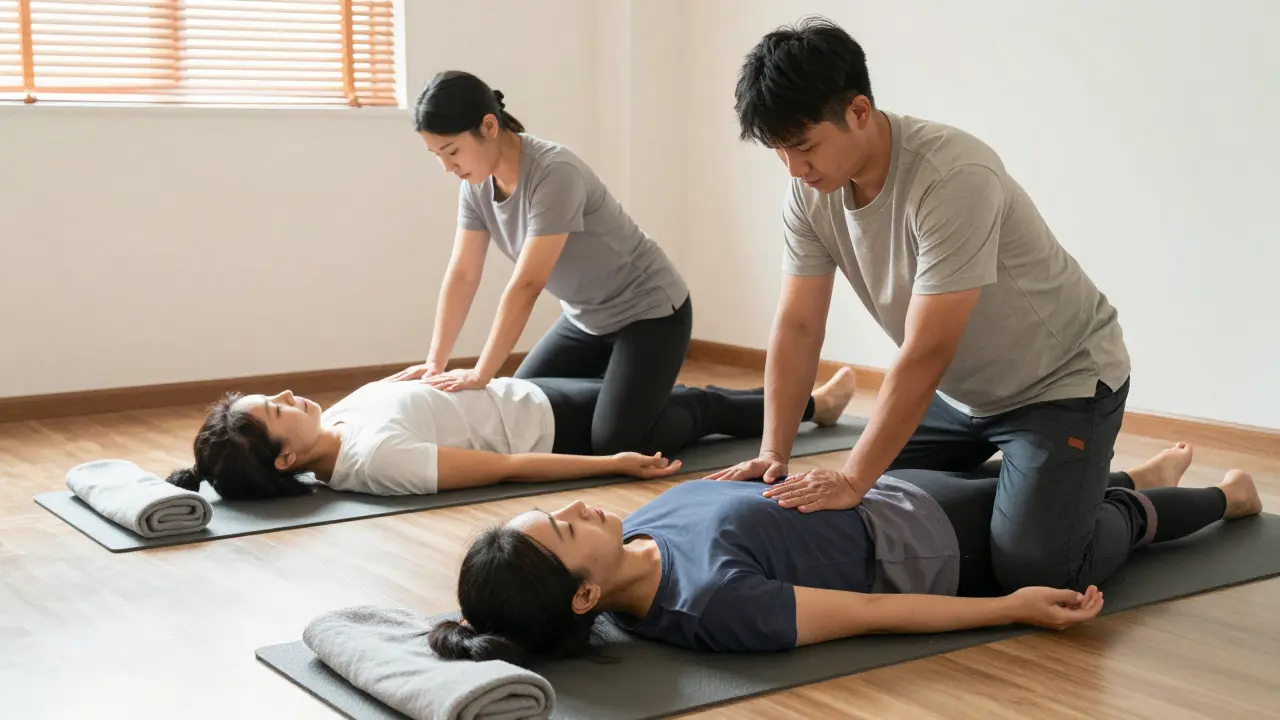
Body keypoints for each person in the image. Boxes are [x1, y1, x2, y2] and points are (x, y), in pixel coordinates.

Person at [715, 16, 1141, 591]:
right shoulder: (810, 193)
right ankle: (1057, 488)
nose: (794, 168)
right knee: (884, 510)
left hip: (1059, 384)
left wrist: (852, 479)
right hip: (961, 396)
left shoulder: (953, 176)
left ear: (859, 111)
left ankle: (1151, 497)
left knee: (1038, 569)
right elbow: (797, 326)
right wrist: (774, 451)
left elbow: (927, 349)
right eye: (779, 151)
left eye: (804, 146)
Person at [427, 448, 1262, 663]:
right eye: (565, 528)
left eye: (556, 510)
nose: (577, 508)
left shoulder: (637, 527)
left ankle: (1133, 477)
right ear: (583, 597)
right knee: (1098, 525)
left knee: (1043, 481)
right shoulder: (710, 605)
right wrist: (1008, 608)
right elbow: (869, 612)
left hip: (888, 491)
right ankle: (1227, 499)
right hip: (936, 547)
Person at [385, 70, 693, 458]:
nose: (448, 167)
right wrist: (435, 362)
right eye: (437, 156)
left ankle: (703, 404)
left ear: (489, 126)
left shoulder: (554, 172)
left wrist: (482, 372)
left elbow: (527, 284)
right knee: (527, 414)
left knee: (618, 442)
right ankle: (634, 394)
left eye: (452, 151)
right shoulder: (476, 188)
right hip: (586, 319)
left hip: (649, 312)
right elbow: (462, 274)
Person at [163, 368, 858, 500]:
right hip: (554, 425)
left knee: (686, 395)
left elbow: (400, 390)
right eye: (278, 409)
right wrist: (610, 464)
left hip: (521, 392)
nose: (289, 396)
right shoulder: (378, 463)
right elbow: (504, 468)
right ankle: (814, 408)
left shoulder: (334, 425)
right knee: (695, 410)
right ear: (287, 457)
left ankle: (808, 403)